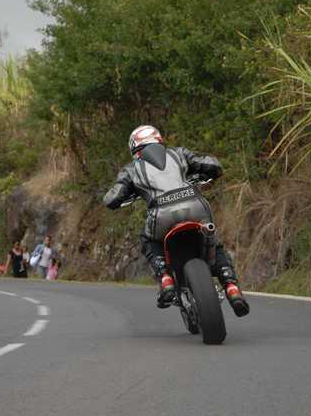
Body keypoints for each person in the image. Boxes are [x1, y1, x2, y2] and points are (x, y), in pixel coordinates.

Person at [103, 125, 249, 316]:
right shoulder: (179, 153)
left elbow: (111, 199)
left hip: (161, 216)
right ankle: (231, 288)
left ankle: (165, 279)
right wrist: (205, 173)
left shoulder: (131, 169)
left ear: (134, 147)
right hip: (196, 208)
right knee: (215, 244)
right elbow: (213, 165)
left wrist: (125, 196)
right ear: (159, 139)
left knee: (148, 241)